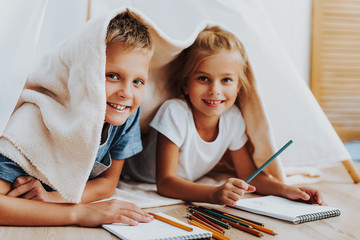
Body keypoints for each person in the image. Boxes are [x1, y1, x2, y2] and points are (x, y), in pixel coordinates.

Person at [122, 26, 326, 206]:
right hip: (133, 172)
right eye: (203, 78)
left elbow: (249, 175)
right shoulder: (174, 112)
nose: (215, 90)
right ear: (185, 85)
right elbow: (165, 182)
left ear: (238, 86)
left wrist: (289, 191)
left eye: (226, 80)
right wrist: (213, 193)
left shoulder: (233, 119)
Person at [0, 9, 153, 226]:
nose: (127, 93)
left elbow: (108, 183)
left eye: (138, 81)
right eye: (112, 76)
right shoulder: (35, 123)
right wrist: (79, 214)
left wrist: (53, 199)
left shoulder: (126, 113)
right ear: (85, 74)